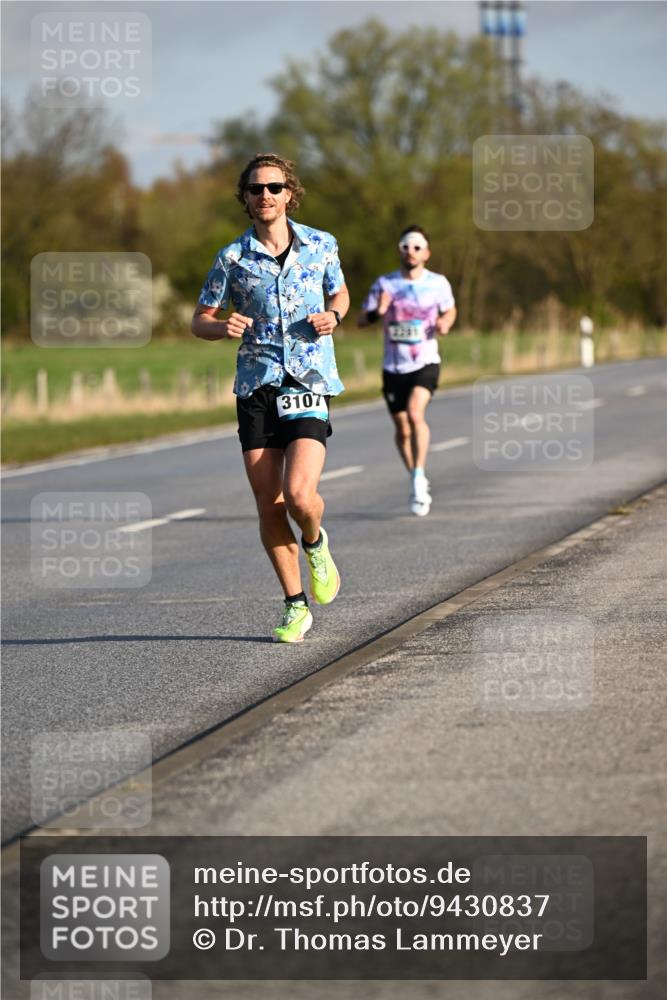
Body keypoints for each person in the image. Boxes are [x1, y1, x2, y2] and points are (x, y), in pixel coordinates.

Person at [192, 153, 350, 642]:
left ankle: (315, 541)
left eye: (274, 188)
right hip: (256, 385)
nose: (266, 196)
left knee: (301, 495)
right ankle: (295, 605)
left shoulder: (321, 244)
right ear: (245, 197)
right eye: (256, 189)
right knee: (269, 502)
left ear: (290, 193)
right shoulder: (232, 258)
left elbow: (340, 295)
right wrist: (221, 327)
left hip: (306, 381)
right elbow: (200, 319)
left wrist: (334, 316)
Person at [358, 226, 457, 516]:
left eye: (416, 247)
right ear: (399, 251)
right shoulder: (384, 284)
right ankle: (416, 474)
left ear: (426, 253)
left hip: (425, 361)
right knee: (402, 428)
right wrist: (379, 311)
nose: (410, 252)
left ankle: (417, 478)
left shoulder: (438, 283)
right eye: (405, 246)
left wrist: (445, 323)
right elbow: (362, 320)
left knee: (416, 414)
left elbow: (449, 309)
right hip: (393, 366)